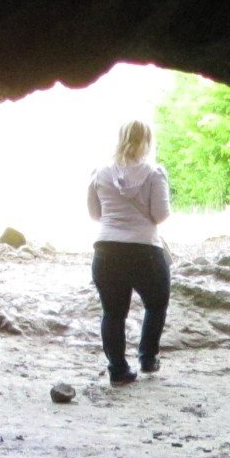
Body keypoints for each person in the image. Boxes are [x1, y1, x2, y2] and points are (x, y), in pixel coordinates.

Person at [87, 119, 171, 385]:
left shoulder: (100, 173)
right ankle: (147, 358)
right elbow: (160, 215)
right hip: (145, 250)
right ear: (147, 140)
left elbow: (94, 214)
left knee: (113, 313)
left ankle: (118, 370)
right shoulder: (155, 173)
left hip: (106, 250)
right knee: (156, 304)